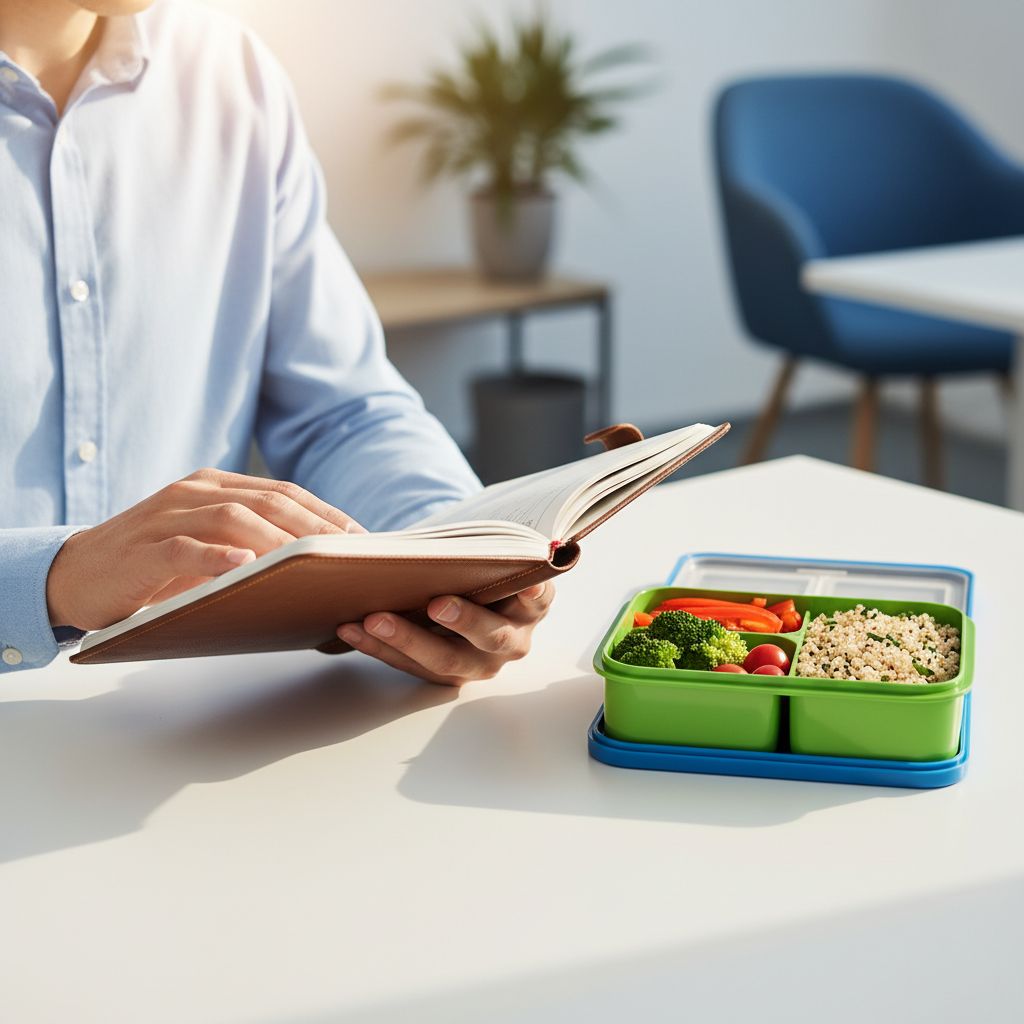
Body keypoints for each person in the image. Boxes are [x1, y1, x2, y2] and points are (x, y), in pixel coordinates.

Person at [0, 0, 554, 683]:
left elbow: (341, 413)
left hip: (192, 708)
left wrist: (453, 560)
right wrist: (55, 579)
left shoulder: (228, 74)